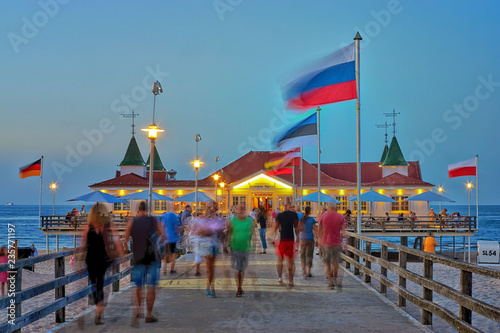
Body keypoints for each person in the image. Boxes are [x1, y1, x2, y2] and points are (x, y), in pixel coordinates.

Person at [80, 202, 123, 325]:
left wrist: (78, 260)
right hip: (102, 258)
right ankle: (99, 311)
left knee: (95, 285)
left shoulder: (89, 227)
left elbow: (82, 244)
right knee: (100, 284)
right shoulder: (108, 225)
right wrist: (121, 255)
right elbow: (117, 240)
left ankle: (98, 308)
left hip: (91, 259)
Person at [125, 201, 165, 325]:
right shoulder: (153, 220)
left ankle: (137, 311)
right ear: (147, 210)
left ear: (138, 210)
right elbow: (163, 235)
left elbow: (125, 239)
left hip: (138, 258)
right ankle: (148, 314)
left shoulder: (132, 222)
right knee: (151, 287)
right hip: (152, 258)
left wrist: (126, 251)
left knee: (138, 286)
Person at [192, 202, 225, 298]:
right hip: (205, 245)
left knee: (210, 268)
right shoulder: (202, 220)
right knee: (209, 268)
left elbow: (221, 232)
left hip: (212, 245)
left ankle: (210, 286)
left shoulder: (217, 220)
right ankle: (211, 287)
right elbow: (195, 231)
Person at [227, 204, 253, 297]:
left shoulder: (249, 221)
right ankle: (239, 287)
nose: (241, 210)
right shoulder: (233, 221)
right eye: (240, 208)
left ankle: (240, 285)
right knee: (238, 269)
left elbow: (252, 233)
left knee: (242, 269)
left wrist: (253, 246)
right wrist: (226, 245)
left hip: (245, 248)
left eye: (243, 208)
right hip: (235, 247)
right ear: (236, 210)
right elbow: (229, 233)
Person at [318, 202, 346, 290]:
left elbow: (320, 230)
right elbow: (343, 231)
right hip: (336, 242)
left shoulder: (323, 216)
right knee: (335, 262)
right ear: (335, 207)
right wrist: (345, 243)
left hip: (326, 242)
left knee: (327, 263)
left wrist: (319, 241)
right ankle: (334, 278)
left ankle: (330, 282)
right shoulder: (340, 217)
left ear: (328, 207)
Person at [272, 203, 299, 288]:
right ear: (290, 206)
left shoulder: (280, 215)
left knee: (280, 259)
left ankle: (280, 278)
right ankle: (290, 281)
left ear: (284, 206)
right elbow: (296, 227)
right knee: (290, 261)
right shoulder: (294, 215)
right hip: (291, 239)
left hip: (282, 239)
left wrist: (272, 235)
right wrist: (298, 237)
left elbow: (275, 227)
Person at [298, 206, 317, 278]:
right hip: (310, 239)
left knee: (303, 255)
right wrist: (317, 239)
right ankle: (309, 271)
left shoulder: (302, 219)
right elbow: (315, 230)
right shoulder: (312, 220)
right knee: (309, 255)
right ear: (310, 211)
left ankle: (304, 271)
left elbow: (298, 228)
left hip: (303, 239)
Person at [162, 210, 181, 275]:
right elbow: (176, 227)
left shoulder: (165, 216)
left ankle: (164, 268)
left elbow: (162, 225)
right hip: (173, 237)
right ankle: (172, 269)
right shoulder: (174, 216)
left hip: (166, 237)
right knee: (173, 253)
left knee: (166, 253)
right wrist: (178, 235)